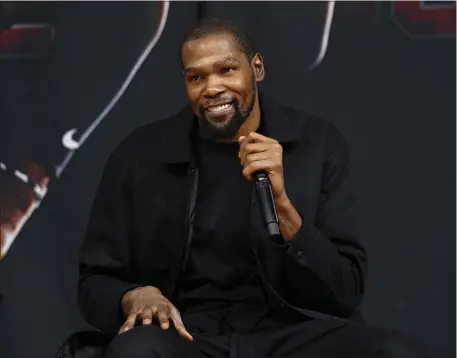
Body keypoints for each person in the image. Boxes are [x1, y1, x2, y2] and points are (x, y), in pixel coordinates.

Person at [78, 18, 426, 358]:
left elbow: (345, 291)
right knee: (136, 350)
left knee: (393, 352)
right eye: (196, 77)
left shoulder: (316, 145)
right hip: (189, 333)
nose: (212, 88)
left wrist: (284, 208)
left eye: (227, 70)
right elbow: (95, 280)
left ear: (256, 68)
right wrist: (135, 296)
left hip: (291, 330)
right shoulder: (140, 155)